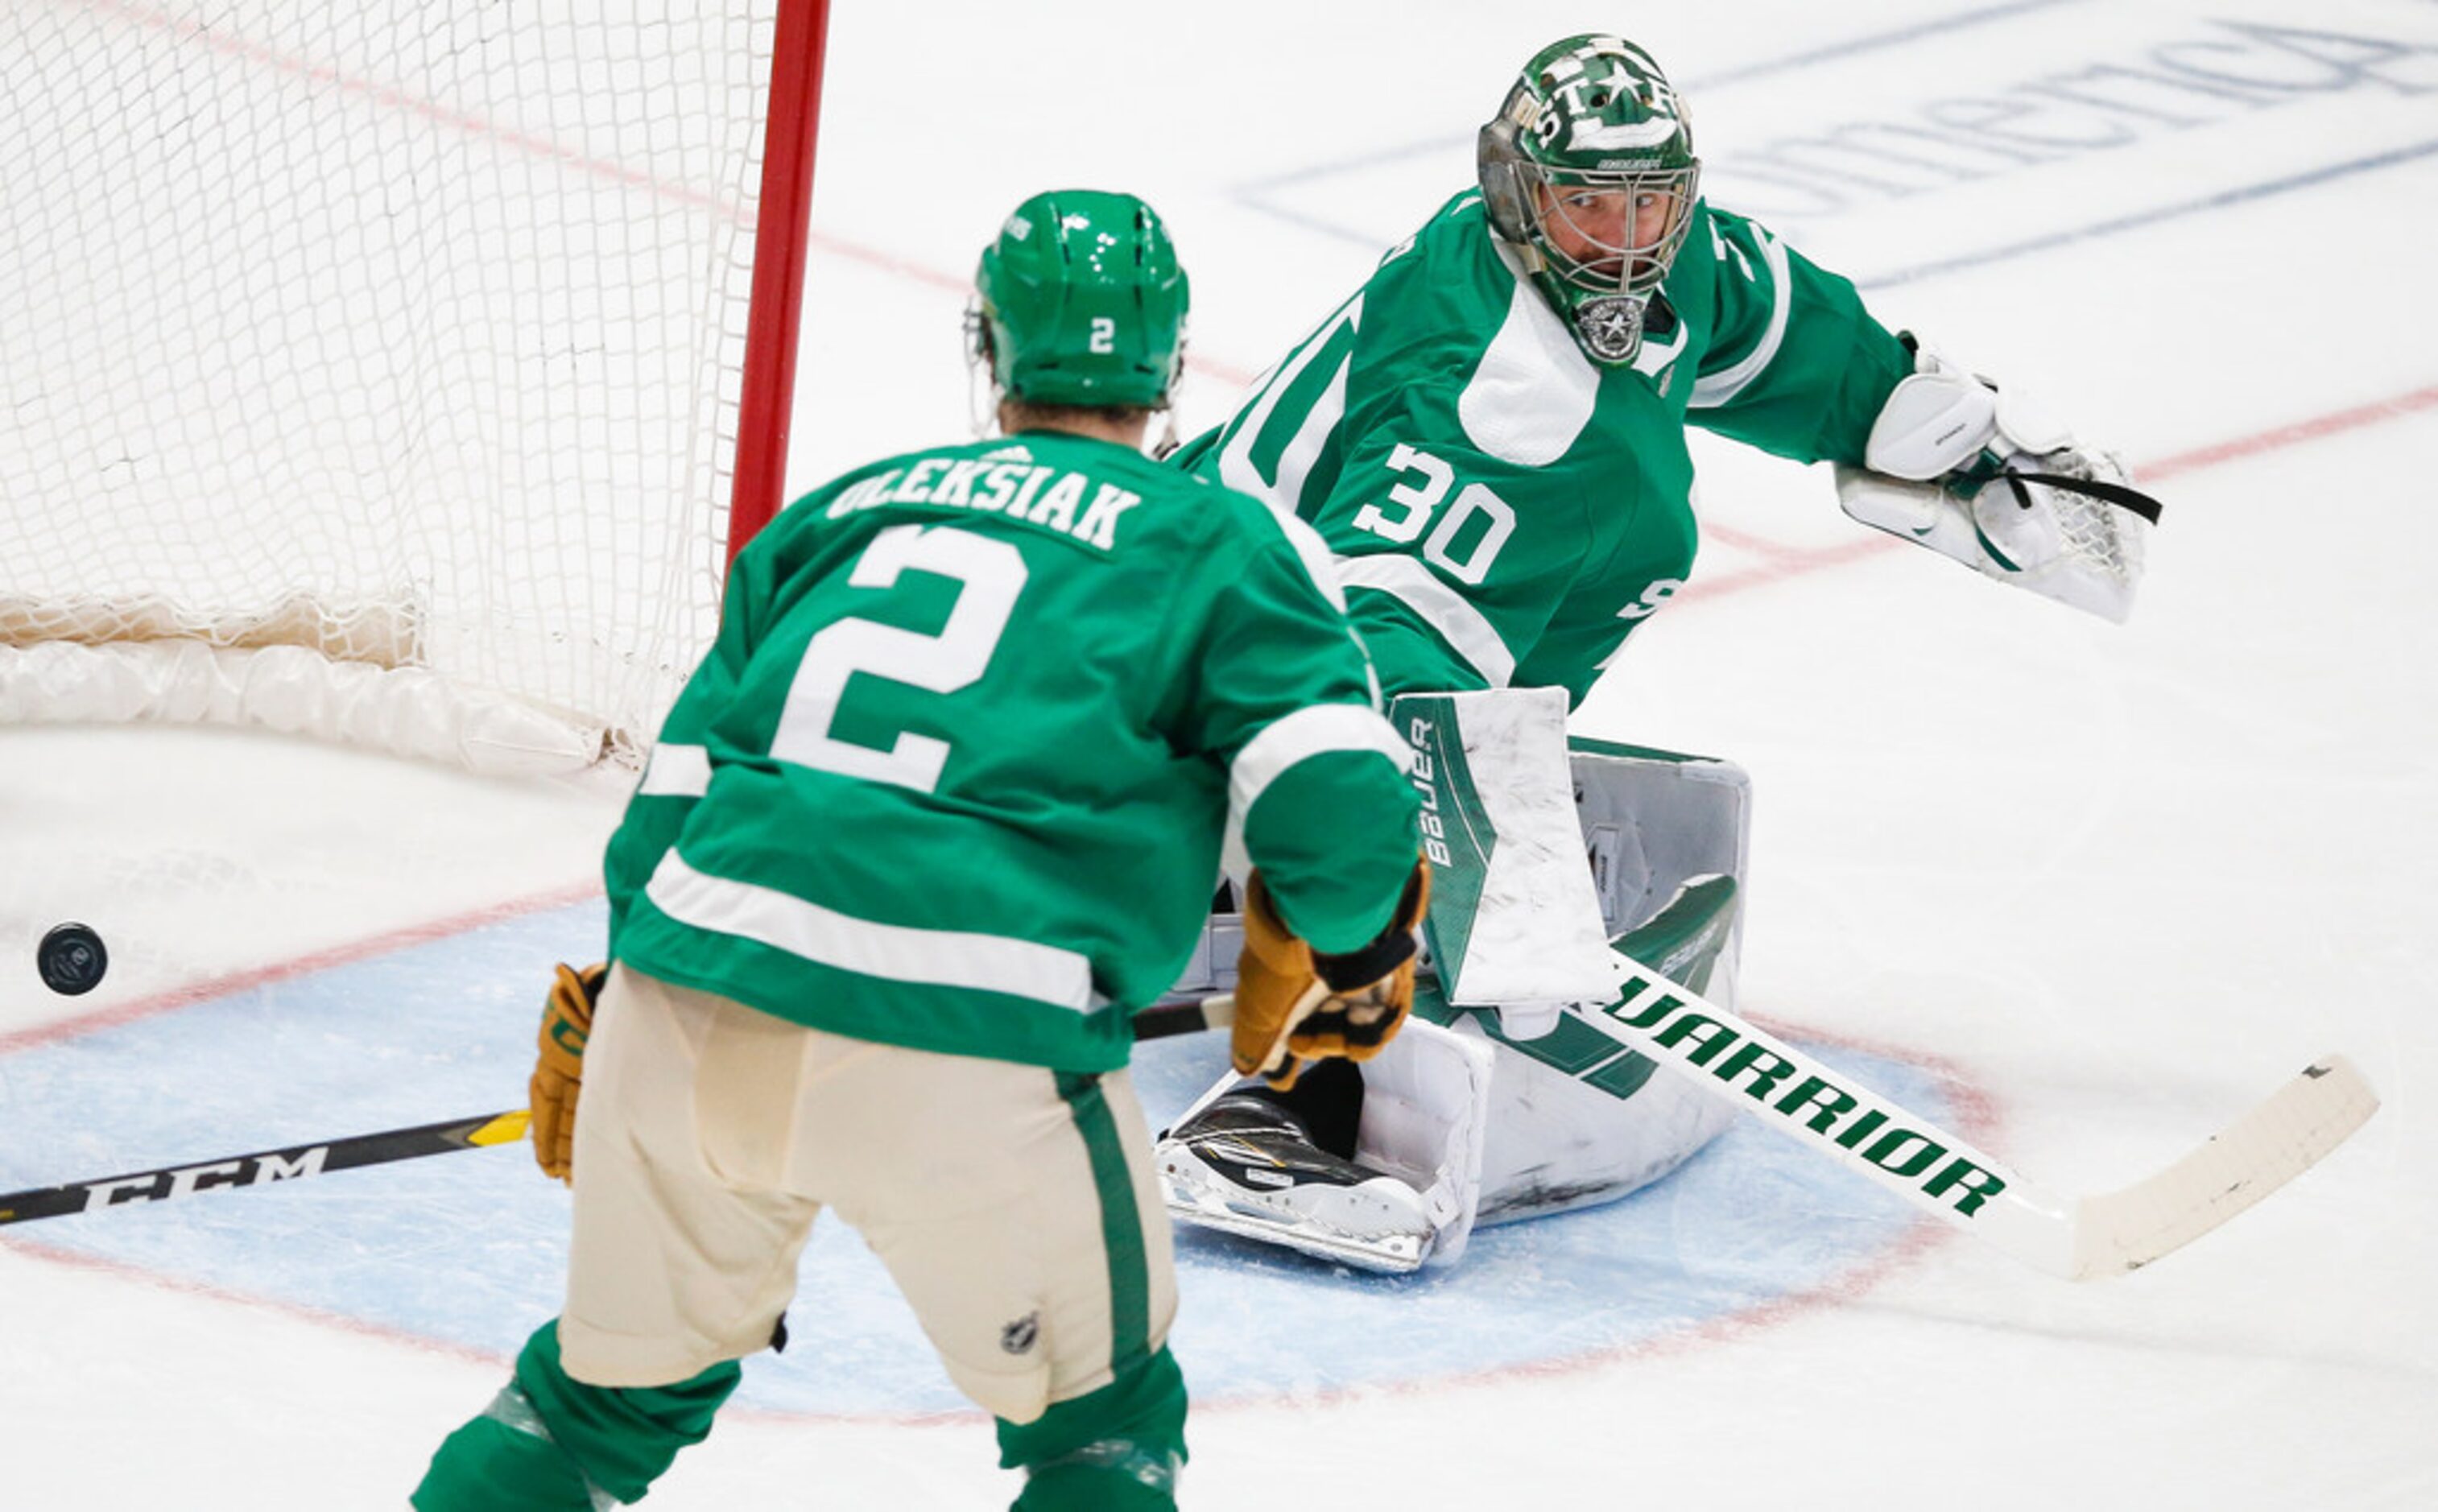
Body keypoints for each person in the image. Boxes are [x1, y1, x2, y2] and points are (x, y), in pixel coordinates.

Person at [412, 188, 1428, 1511]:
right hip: (974, 1043)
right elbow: (1334, 794)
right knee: (1101, 1429)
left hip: (688, 998)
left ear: (989, 349)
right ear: (1172, 368)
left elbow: (674, 790)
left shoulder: (841, 513)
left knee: (589, 1409)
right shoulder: (1217, 538)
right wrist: (1358, 949)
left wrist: (620, 996)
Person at [1155, 34, 2157, 1272]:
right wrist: (1469, 846)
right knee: (1356, 778)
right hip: (1177, 671)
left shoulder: (1683, 266)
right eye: (1587, 202)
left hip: (1233, 627)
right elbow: (1373, 661)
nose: (1625, 239)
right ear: (1516, 193)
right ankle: (1283, 1107)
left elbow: (1798, 340)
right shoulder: (1489, 394)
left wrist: (1950, 431)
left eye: (1653, 200)